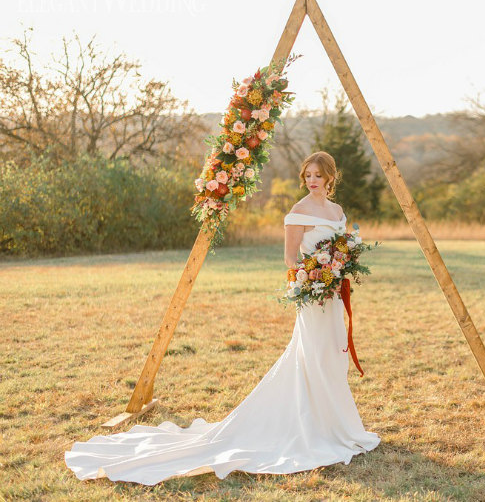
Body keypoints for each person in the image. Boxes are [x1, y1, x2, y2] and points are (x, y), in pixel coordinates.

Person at [64, 151, 380, 485]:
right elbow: (290, 259)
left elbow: (342, 249)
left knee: (332, 356)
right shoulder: (297, 212)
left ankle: (335, 424)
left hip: (331, 296)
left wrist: (338, 269)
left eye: (318, 175)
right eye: (308, 175)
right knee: (312, 355)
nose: (312, 181)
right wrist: (316, 274)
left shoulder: (337, 211)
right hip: (312, 293)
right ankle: (309, 427)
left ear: (330, 177)